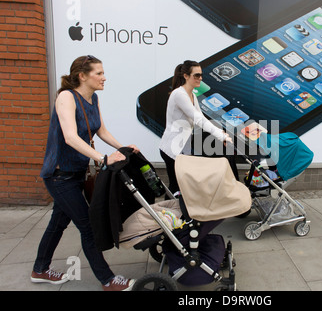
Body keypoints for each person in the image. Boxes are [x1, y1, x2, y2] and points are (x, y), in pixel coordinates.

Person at [31, 55, 138, 291]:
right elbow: (70, 137)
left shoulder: (93, 97)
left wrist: (122, 149)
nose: (104, 77)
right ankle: (108, 280)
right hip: (60, 176)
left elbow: (100, 129)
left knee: (57, 223)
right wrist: (103, 158)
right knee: (87, 226)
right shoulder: (66, 97)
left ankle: (40, 269)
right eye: (98, 73)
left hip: (77, 172)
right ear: (82, 75)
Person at [159, 60, 232, 196]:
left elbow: (201, 117)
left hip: (182, 150)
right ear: (186, 76)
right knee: (177, 189)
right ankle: (168, 216)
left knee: (179, 188)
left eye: (201, 75)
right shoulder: (179, 94)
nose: (200, 78)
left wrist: (220, 133)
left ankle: (171, 215)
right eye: (196, 75)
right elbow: (198, 119)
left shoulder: (192, 95)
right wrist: (220, 135)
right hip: (171, 150)